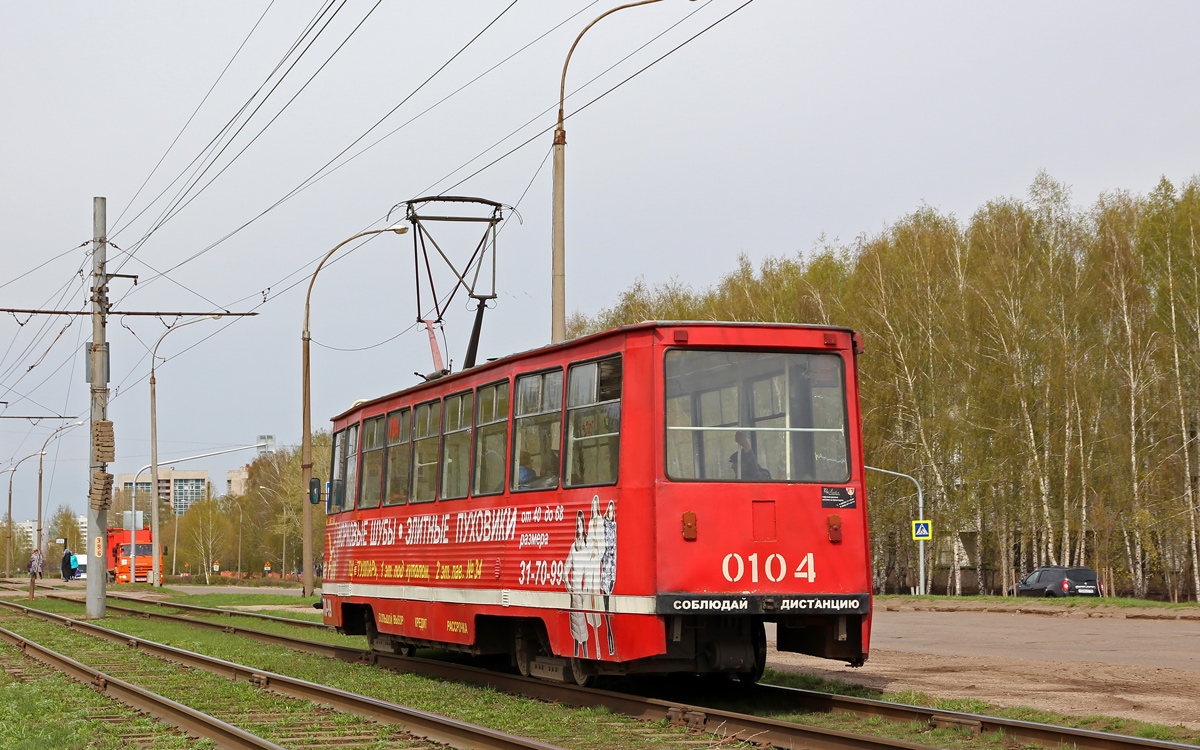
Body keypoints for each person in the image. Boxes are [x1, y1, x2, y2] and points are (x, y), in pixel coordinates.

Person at [564, 510, 590, 657]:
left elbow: (587, 572)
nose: (579, 530)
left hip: (580, 593)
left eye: (581, 527)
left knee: (581, 622)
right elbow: (565, 570)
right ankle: (579, 652)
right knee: (575, 622)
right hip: (574, 592)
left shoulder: (585, 548)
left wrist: (584, 591)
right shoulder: (573, 547)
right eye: (577, 527)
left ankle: (583, 652)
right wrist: (569, 587)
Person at [600, 500, 617, 656]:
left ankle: (611, 644)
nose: (611, 514)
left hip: (612, 574)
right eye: (609, 512)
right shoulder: (605, 528)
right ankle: (609, 645)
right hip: (606, 575)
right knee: (607, 612)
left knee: (609, 612)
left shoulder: (614, 528)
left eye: (613, 512)